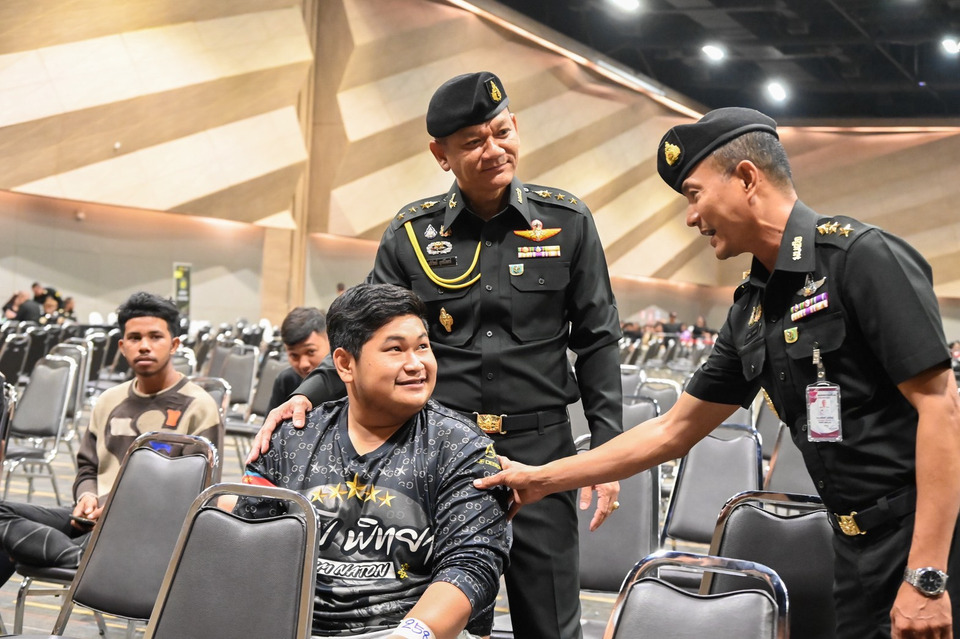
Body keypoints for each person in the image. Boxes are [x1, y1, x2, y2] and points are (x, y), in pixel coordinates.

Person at [475, 107, 960, 639]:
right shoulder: (753, 308)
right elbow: (672, 430)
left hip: (931, 543)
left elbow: (941, 408)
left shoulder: (860, 258)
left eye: (694, 194)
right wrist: (540, 479)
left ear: (747, 178)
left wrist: (927, 576)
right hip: (852, 546)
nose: (691, 217)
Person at [251, 71, 623, 639]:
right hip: (439, 455)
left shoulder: (566, 222)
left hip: (539, 452)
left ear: (516, 127)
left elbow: (597, 339)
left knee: (549, 623)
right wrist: (304, 395)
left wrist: (607, 451)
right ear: (441, 154)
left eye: (502, 132)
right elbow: (364, 332)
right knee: (434, 614)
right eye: (473, 142)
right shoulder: (412, 233)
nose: (494, 150)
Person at [241, 283, 509, 639]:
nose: (416, 364)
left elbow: (471, 564)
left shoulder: (462, 447)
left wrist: (412, 634)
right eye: (395, 349)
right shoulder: (289, 440)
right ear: (344, 364)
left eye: (423, 347)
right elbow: (246, 547)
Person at [0, 291, 224, 583]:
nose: (144, 346)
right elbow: (88, 467)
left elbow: (198, 494)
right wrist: (87, 496)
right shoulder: (109, 400)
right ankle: (77, 556)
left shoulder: (199, 406)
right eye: (135, 338)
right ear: (122, 346)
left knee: (13, 544)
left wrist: (122, 511)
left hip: (149, 529)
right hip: (92, 520)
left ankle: (66, 552)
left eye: (155, 337)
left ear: (174, 345)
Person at [267, 307, 330, 412]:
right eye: (294, 355)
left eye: (310, 351)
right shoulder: (286, 380)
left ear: (330, 341)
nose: (303, 364)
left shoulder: (346, 380)